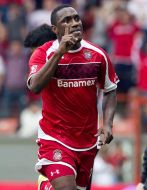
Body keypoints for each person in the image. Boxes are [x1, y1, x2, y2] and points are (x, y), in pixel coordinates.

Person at [27, 4, 119, 190]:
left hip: (87, 140)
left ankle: (47, 186)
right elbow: (35, 86)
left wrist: (108, 124)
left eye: (76, 18)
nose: (74, 23)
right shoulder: (43, 53)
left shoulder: (98, 54)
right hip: (55, 137)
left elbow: (110, 89)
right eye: (67, 20)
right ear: (55, 29)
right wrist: (60, 52)